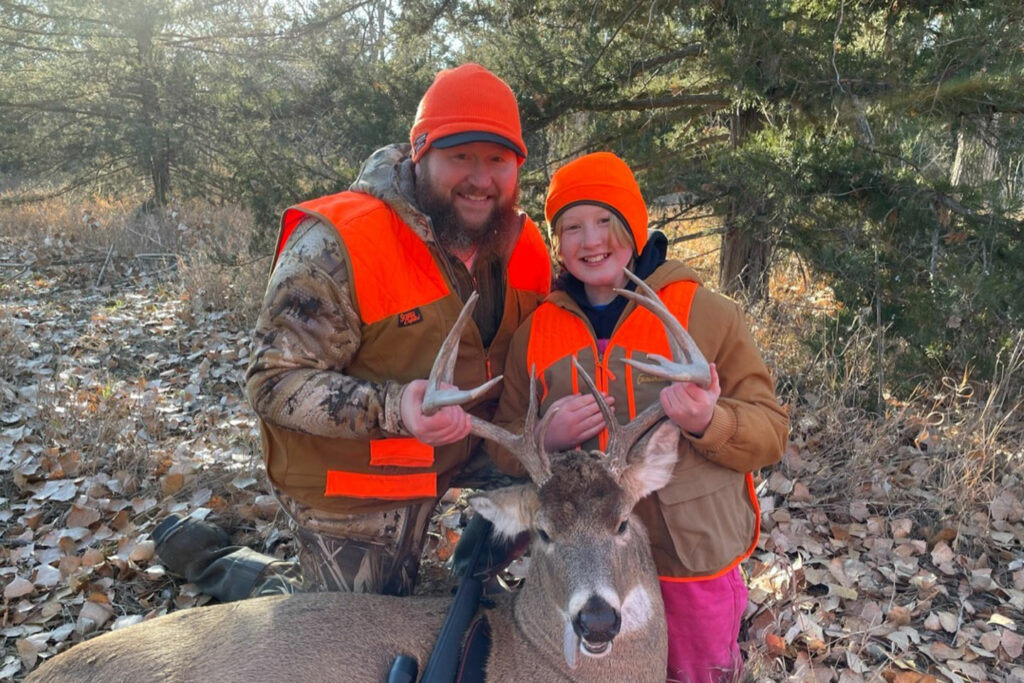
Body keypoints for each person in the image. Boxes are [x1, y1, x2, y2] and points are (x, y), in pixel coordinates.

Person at [153, 63, 551, 599]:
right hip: (359, 482)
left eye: (498, 160)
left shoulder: (523, 244)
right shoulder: (338, 243)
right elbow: (273, 382)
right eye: (461, 157)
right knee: (345, 632)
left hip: (467, 447)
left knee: (574, 484)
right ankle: (231, 570)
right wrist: (395, 409)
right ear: (420, 154)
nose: (481, 178)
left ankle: (481, 561)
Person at [488, 152, 789, 682]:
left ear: (635, 225)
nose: (592, 240)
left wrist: (707, 421)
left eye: (607, 222)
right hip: (584, 562)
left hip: (687, 560)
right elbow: (501, 443)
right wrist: (541, 435)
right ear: (558, 244)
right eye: (572, 228)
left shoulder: (704, 313)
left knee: (697, 673)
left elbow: (771, 432)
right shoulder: (536, 330)